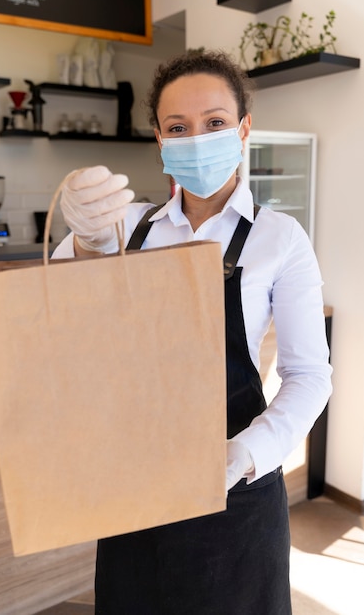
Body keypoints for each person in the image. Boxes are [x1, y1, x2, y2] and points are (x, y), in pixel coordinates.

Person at [52, 49, 332, 614]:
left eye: (215, 123)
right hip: (134, 487)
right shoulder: (125, 225)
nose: (198, 138)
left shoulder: (281, 238)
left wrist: (244, 454)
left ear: (243, 128)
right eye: (178, 127)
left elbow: (310, 377)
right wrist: (85, 240)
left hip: (239, 497)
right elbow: (58, 306)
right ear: (159, 138)